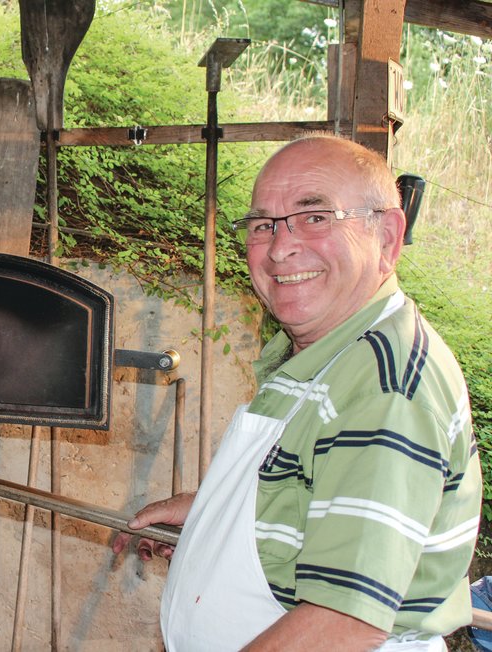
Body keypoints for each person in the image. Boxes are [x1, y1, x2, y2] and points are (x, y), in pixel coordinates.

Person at [113, 134, 481, 651]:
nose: (281, 247)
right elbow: (328, 490)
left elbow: (343, 622)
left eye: (316, 217)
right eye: (263, 224)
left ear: (388, 238)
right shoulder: (328, 351)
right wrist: (216, 515)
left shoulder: (384, 383)